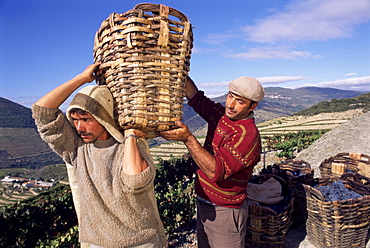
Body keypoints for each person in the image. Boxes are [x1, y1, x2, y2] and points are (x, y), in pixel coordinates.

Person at [32, 63, 166, 248]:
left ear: (103, 118)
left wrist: (130, 135)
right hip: (97, 244)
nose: (79, 128)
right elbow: (42, 112)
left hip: (141, 243)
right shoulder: (77, 149)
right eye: (75, 120)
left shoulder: (129, 145)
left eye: (86, 120)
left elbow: (136, 181)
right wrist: (82, 78)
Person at [160, 76, 264, 248]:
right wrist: (179, 69)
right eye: (230, 96)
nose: (230, 104)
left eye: (240, 101)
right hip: (205, 204)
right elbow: (195, 97)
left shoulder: (247, 135)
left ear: (253, 106)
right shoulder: (221, 115)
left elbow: (215, 171)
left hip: (225, 212)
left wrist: (188, 139)